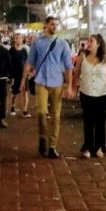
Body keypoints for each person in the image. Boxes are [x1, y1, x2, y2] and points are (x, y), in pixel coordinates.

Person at [21, 16, 74, 159]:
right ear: (46, 25)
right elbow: (29, 62)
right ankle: (42, 136)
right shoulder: (37, 43)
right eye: (52, 24)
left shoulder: (63, 44)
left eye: (57, 24)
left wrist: (69, 86)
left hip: (57, 82)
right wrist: (23, 80)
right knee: (41, 112)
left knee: (56, 116)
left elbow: (69, 66)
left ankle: (52, 146)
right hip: (41, 81)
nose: (55, 27)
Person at [73, 34, 106, 158]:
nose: (89, 43)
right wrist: (74, 88)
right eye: (88, 41)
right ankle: (87, 147)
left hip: (102, 94)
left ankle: (99, 147)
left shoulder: (105, 59)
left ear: (98, 44)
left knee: (100, 122)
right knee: (88, 121)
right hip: (86, 93)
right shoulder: (82, 57)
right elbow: (76, 73)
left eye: (91, 41)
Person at [9, 33, 29, 118]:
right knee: (15, 93)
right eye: (16, 38)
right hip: (15, 74)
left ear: (22, 39)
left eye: (19, 38)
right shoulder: (11, 50)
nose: (18, 40)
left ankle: (25, 110)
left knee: (26, 92)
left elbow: (27, 62)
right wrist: (10, 76)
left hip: (24, 74)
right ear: (14, 40)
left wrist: (29, 71)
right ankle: (12, 107)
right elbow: (9, 63)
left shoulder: (24, 50)